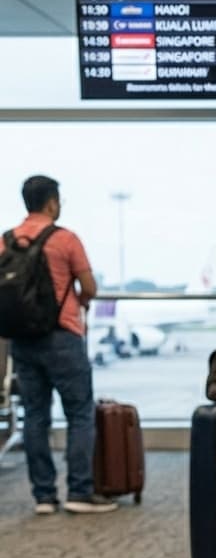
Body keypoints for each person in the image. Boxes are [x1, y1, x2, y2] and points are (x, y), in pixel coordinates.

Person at [0, 175, 116, 514]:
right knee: (80, 413)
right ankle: (79, 492)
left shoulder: (6, 241)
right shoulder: (65, 240)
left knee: (35, 415)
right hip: (62, 335)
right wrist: (80, 299)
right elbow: (89, 286)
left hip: (21, 340)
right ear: (51, 202)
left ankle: (44, 497)